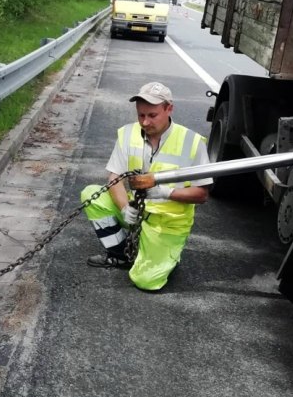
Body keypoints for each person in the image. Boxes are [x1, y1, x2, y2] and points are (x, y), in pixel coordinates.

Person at [80, 82, 211, 290]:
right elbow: (114, 176)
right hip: (138, 212)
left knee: (146, 281)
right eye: (141, 115)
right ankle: (121, 254)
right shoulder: (128, 134)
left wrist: (167, 193)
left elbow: (201, 194)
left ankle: (167, 257)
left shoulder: (193, 142)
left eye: (152, 115)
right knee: (91, 194)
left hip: (167, 225)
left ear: (169, 108)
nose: (145, 121)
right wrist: (124, 208)